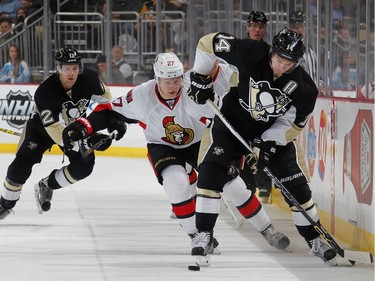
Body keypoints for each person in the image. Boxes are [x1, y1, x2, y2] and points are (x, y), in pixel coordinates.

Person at [62, 52, 290, 257]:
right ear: (157, 79)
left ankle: (267, 229)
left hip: (199, 143)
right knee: (176, 183)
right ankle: (197, 236)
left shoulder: (195, 88)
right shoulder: (142, 96)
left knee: (233, 186)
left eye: (177, 80)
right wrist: (83, 126)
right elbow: (109, 112)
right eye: (167, 81)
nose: (173, 86)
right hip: (162, 146)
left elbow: (229, 103)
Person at [186, 28, 338, 265]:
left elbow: (293, 125)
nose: (282, 66)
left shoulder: (305, 88)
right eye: (279, 59)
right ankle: (204, 234)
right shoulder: (250, 52)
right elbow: (207, 43)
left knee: (297, 188)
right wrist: (200, 76)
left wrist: (268, 143)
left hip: (270, 137)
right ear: (272, 51)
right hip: (231, 124)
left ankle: (314, 240)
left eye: (289, 63)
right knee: (210, 173)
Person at [0, 47, 127, 220]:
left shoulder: (89, 79)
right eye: (67, 68)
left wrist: (111, 119)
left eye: (75, 68)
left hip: (75, 129)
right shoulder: (45, 92)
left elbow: (106, 98)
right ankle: (5, 204)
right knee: (20, 166)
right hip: (42, 130)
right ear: (58, 68)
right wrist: (86, 141)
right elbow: (54, 129)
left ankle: (47, 184)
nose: (71, 73)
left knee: (84, 168)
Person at [243, 10, 274, 203]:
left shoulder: (269, 52)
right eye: (254, 26)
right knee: (243, 146)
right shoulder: (239, 47)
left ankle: (264, 184)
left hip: (262, 104)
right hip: (241, 103)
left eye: (260, 27)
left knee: (260, 145)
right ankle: (248, 185)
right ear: (248, 27)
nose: (257, 29)